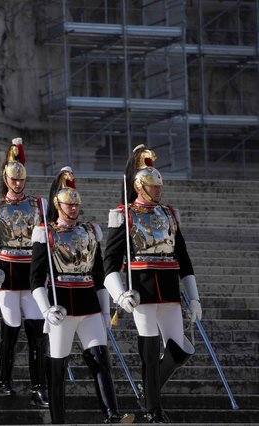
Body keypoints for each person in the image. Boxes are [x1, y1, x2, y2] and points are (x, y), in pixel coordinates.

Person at [103, 145, 201, 423]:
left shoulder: (169, 213)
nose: (158, 190)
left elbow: (183, 258)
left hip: (169, 289)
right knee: (149, 348)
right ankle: (153, 409)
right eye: (152, 185)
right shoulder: (125, 213)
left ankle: (148, 390)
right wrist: (119, 295)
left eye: (159, 185)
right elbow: (109, 262)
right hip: (141, 290)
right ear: (138, 185)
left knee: (181, 349)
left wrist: (194, 297)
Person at [30, 167, 133, 424]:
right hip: (61, 307)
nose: (74, 208)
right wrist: (45, 310)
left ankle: (111, 415)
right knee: (58, 366)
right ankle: (58, 420)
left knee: (100, 360)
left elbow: (98, 276)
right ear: (58, 203)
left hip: (89, 307)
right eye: (68, 204)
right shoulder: (46, 233)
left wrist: (106, 311)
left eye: (76, 204)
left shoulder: (90, 232)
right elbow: (35, 279)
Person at [0, 138, 48, 407]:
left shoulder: (39, 206)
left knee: (36, 334)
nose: (17, 184)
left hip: (31, 277)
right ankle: (4, 378)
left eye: (21, 179)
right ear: (5, 178)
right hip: (6, 276)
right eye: (13, 179)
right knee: (11, 330)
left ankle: (38, 386)